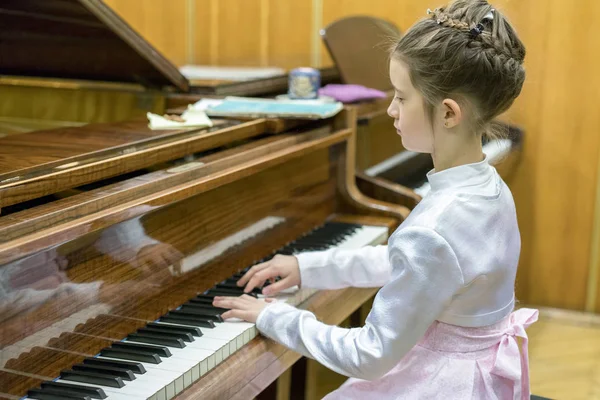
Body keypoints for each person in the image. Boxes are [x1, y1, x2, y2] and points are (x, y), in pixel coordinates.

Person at [213, 1, 538, 398]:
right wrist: (309, 267)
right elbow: (412, 265)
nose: (390, 109)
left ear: (449, 114)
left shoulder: (435, 228)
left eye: (401, 97)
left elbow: (370, 354)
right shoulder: (488, 187)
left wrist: (277, 317)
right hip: (477, 375)